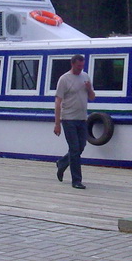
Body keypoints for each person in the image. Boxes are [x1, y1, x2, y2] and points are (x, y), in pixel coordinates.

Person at [54, 54, 95, 189]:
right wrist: (57, 123)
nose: (80, 69)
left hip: (82, 118)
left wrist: (89, 88)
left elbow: (92, 97)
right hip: (68, 118)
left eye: (82, 66)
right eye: (78, 66)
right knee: (75, 149)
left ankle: (62, 163)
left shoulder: (85, 77)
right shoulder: (64, 79)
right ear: (73, 64)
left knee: (81, 146)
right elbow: (58, 101)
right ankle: (76, 180)